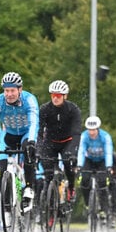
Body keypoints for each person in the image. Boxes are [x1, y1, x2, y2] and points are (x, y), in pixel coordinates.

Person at [0, 72, 39, 210]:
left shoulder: (29, 100)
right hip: (8, 134)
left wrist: (32, 141)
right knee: (2, 168)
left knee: (27, 150)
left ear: (20, 89)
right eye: (6, 90)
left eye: (12, 90)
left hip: (26, 134)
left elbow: (34, 123)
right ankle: (7, 206)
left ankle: (28, 187)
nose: (9, 94)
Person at [36, 80, 80, 208]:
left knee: (68, 162)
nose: (55, 98)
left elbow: (77, 133)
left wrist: (73, 152)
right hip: (50, 143)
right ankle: (49, 202)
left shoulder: (73, 109)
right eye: (53, 95)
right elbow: (39, 132)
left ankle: (71, 187)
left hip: (67, 142)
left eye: (58, 96)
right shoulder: (45, 109)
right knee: (48, 172)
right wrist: (38, 150)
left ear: (65, 96)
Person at [77, 116, 115, 225]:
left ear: (98, 129)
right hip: (89, 160)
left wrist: (109, 167)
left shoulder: (105, 137)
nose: (91, 132)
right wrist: (79, 166)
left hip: (102, 161)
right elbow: (81, 151)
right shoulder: (84, 136)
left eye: (93, 130)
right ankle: (88, 204)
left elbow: (108, 152)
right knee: (84, 180)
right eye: (89, 129)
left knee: (103, 182)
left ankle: (103, 209)